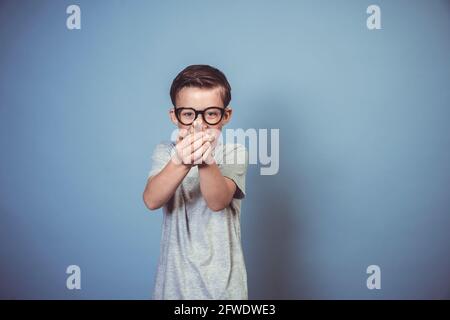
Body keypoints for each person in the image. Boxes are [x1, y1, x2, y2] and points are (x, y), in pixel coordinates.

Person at [143, 64, 249, 299]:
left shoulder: (234, 153)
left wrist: (205, 160)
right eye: (189, 114)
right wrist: (181, 159)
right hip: (174, 286)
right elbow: (151, 200)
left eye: (210, 113)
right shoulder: (165, 153)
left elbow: (217, 201)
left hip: (224, 289)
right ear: (175, 116)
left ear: (226, 116)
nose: (198, 124)